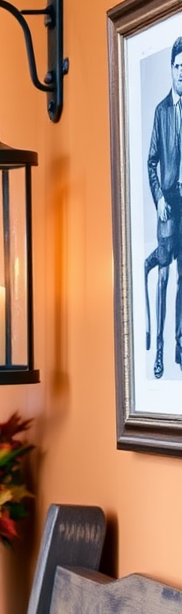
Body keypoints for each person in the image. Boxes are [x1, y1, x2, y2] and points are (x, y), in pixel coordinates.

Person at [147, 36, 182, 377]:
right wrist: (158, 199)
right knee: (164, 276)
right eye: (177, 66)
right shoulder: (161, 111)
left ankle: (179, 346)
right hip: (169, 203)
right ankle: (158, 350)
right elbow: (151, 162)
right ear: (171, 69)